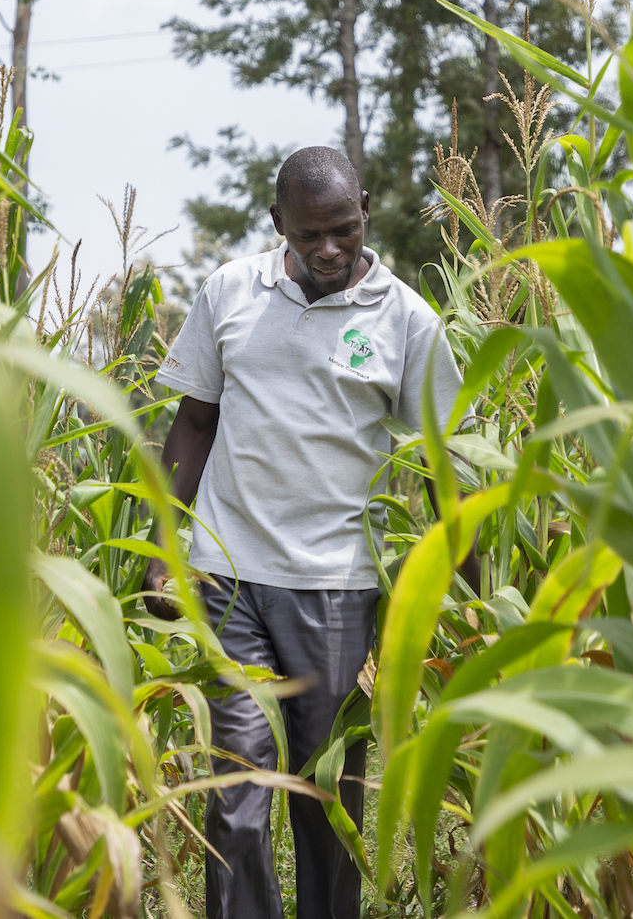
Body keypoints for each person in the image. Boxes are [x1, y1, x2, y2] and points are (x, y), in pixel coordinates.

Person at [147, 145, 462, 919]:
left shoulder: (406, 321)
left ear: (366, 209)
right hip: (229, 578)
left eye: (344, 228)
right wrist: (164, 548)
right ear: (277, 222)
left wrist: (475, 591)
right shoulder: (230, 292)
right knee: (236, 789)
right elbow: (194, 423)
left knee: (328, 800)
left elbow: (445, 465)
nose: (328, 248)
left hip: (337, 588)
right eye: (308, 233)